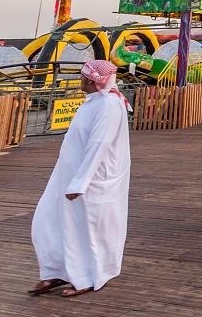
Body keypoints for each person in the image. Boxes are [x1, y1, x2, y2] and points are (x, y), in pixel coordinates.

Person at [30, 59, 131, 297]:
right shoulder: (94, 102)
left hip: (93, 182)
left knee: (87, 231)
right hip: (68, 176)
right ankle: (54, 271)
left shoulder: (108, 105)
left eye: (82, 76)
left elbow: (99, 145)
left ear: (91, 80)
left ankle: (86, 277)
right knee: (47, 219)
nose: (79, 80)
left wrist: (81, 182)